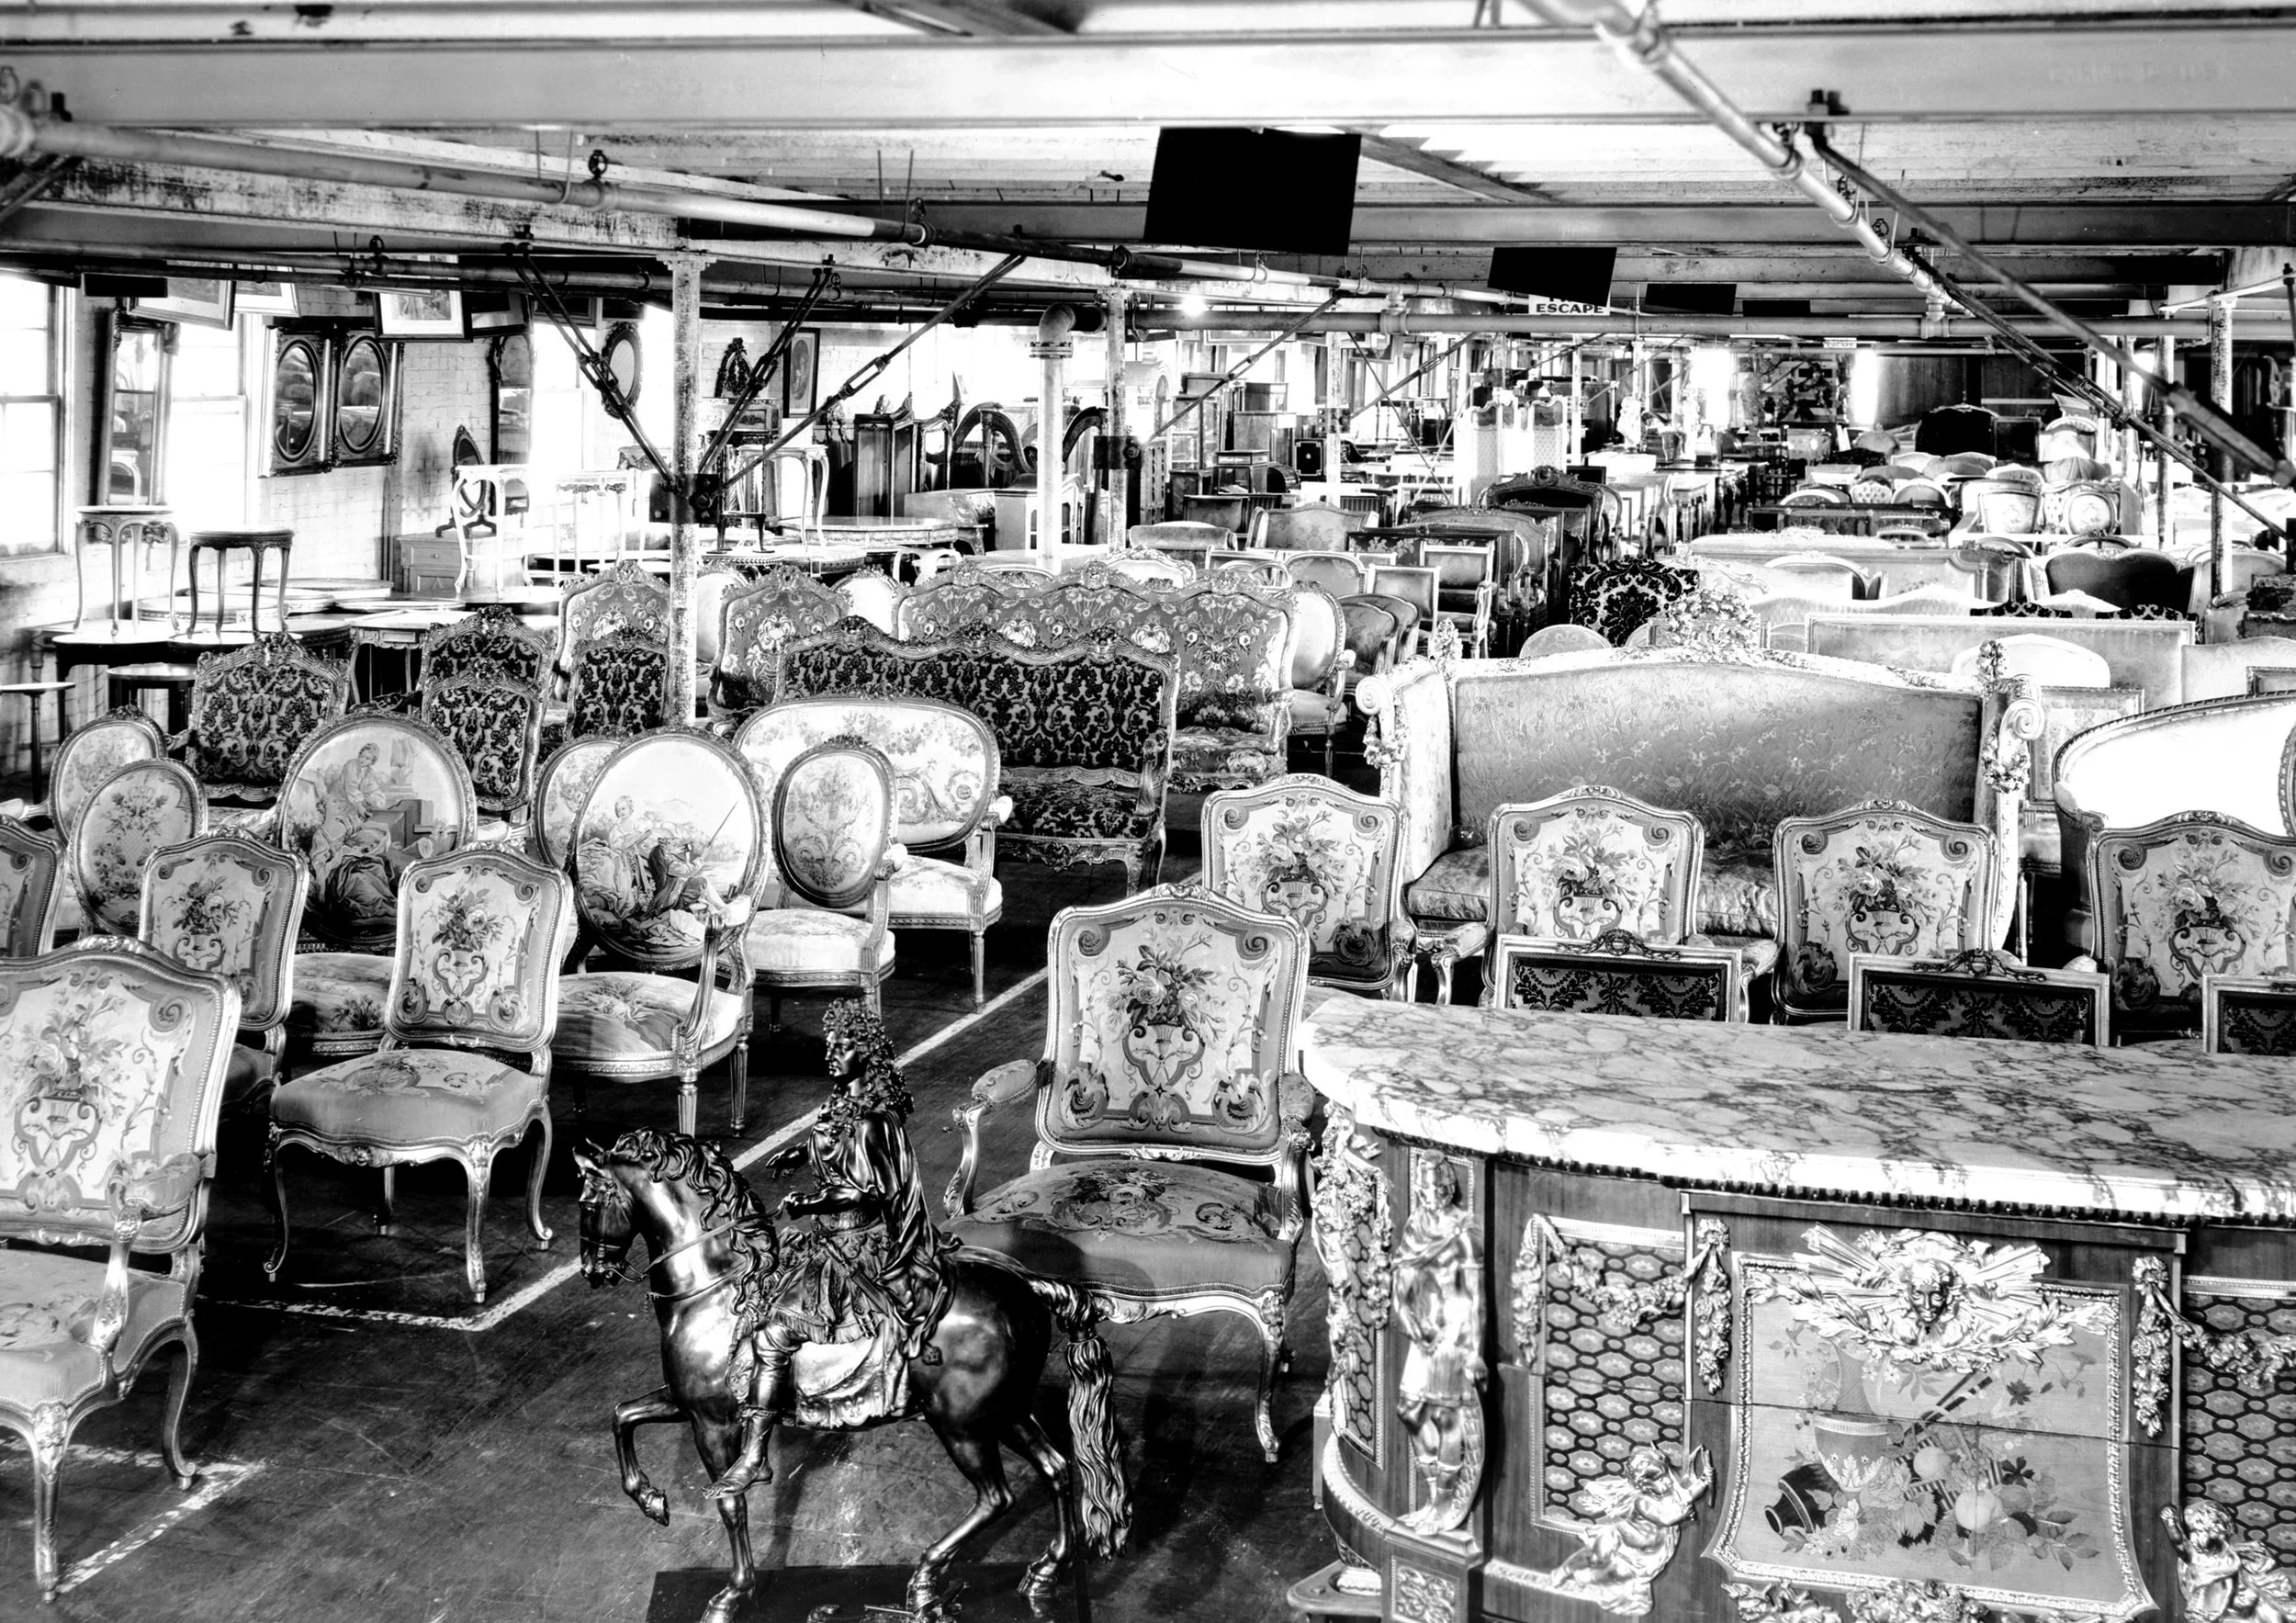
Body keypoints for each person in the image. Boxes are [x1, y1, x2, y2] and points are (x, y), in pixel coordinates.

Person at [708, 1003, 956, 1499]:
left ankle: (755, 1455)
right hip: (827, 1234)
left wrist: (808, 1200)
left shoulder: (868, 1121)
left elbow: (863, 1193)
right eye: (831, 1046)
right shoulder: (843, 1102)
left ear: (866, 1054)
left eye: (843, 1048)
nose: (832, 1056)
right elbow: (834, 1149)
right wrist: (800, 1153)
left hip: (853, 1242)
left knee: (773, 1334)